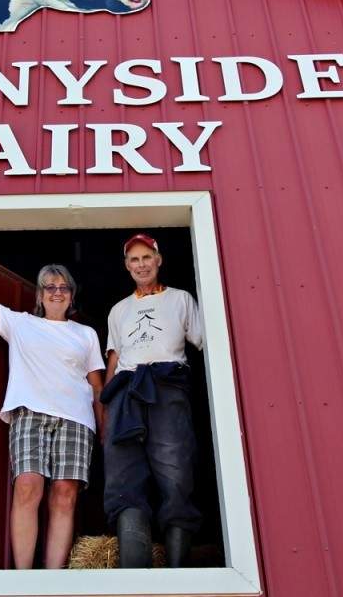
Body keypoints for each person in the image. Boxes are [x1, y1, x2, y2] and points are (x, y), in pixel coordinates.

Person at [0, 237, 106, 569]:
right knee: (27, 486)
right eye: (49, 286)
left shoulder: (86, 334)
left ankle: (51, 578)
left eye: (63, 287)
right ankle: (23, 577)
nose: (56, 292)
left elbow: (96, 387)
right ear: (39, 295)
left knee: (65, 495)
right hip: (30, 415)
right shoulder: (20, 323)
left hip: (77, 419)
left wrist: (105, 429)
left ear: (71, 295)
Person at [101, 233, 204, 568]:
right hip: (126, 393)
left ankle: (176, 573)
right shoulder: (119, 310)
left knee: (175, 470)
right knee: (123, 476)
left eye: (147, 257)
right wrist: (105, 410)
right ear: (127, 266)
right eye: (134, 259)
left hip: (167, 386)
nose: (141, 264)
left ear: (158, 260)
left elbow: (206, 342)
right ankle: (135, 573)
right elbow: (114, 360)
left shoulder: (180, 300)